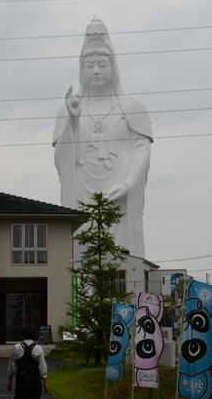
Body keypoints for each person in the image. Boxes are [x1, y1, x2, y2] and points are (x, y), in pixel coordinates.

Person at [52, 18, 153, 258]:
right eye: (89, 65)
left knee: (122, 257)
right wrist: (73, 121)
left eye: (101, 64)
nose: (96, 70)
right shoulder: (68, 107)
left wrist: (128, 184)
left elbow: (141, 150)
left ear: (113, 66)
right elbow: (62, 160)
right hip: (82, 193)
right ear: (81, 69)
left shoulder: (132, 104)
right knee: (83, 255)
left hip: (120, 193)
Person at [7, 324, 48, 399]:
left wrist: (10, 380)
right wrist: (45, 382)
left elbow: (12, 366)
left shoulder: (16, 347)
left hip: (22, 381)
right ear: (35, 335)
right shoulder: (38, 348)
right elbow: (42, 367)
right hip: (35, 381)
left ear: (23, 334)